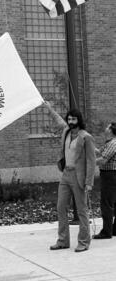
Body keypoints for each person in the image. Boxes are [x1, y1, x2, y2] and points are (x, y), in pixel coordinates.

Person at [43, 101, 96, 252]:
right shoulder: (66, 131)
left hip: (79, 177)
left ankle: (84, 242)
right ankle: (63, 240)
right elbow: (58, 120)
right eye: (69, 119)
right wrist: (49, 108)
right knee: (61, 207)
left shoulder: (86, 137)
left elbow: (91, 162)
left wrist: (89, 182)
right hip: (66, 174)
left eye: (74, 119)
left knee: (81, 210)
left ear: (79, 120)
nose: (71, 122)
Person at [93, 122, 116, 239]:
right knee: (113, 202)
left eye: (108, 126)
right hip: (110, 175)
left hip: (110, 176)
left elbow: (103, 160)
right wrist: (90, 146)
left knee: (106, 203)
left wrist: (89, 163)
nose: (106, 127)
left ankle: (106, 232)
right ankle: (114, 229)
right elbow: (100, 152)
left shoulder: (113, 143)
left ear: (111, 130)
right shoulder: (109, 143)